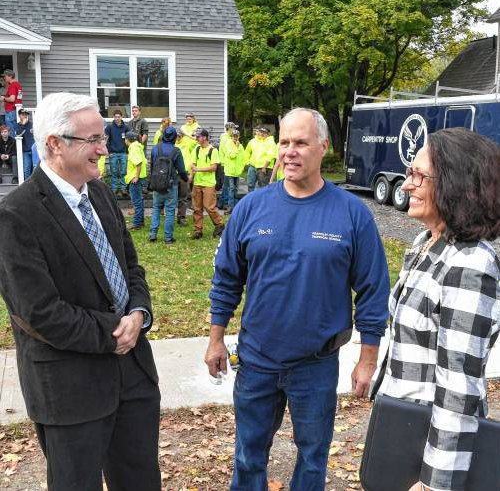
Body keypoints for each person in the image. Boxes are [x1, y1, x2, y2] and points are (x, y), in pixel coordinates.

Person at [206, 108, 390, 491]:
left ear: (323, 147)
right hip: (256, 360)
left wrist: (367, 360)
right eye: (284, 142)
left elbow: (373, 290)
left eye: (300, 143)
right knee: (248, 453)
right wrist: (215, 339)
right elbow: (226, 278)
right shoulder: (251, 208)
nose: (289, 151)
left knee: (312, 457)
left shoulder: (352, 213)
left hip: (316, 364)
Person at [0, 92, 161, 491]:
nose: (104, 149)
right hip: (71, 387)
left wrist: (139, 314)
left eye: (103, 137)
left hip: (134, 375)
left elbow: (132, 268)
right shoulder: (17, 214)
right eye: (92, 139)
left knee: (140, 480)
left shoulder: (101, 193)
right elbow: (38, 312)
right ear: (55, 143)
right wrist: (115, 332)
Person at [375, 127, 500, 491]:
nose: (405, 185)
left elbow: (459, 385)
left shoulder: (469, 264)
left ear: (454, 185)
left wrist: (436, 482)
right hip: (407, 427)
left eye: (418, 175)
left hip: (434, 447)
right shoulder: (424, 243)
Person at [149, 126, 189, 243]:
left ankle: (153, 234)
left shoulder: (155, 149)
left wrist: (152, 181)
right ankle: (168, 237)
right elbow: (181, 170)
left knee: (156, 208)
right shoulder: (176, 151)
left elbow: (151, 167)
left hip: (157, 183)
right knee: (170, 210)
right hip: (171, 185)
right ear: (174, 138)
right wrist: (186, 179)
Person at [189, 128, 224, 239]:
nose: (196, 138)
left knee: (209, 207)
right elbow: (193, 165)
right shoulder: (196, 149)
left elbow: (213, 168)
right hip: (197, 183)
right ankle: (198, 231)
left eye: (198, 137)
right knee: (197, 208)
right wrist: (191, 176)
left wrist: (198, 170)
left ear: (204, 137)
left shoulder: (213, 150)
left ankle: (219, 225)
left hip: (209, 183)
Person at [125, 131, 147, 230]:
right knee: (140, 200)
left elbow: (138, 163)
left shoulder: (133, 148)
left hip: (135, 178)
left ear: (127, 140)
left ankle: (137, 223)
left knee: (136, 202)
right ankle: (141, 222)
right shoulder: (137, 146)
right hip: (139, 177)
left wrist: (136, 177)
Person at [105, 109, 129, 197]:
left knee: (123, 172)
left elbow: (129, 140)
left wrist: (127, 152)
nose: (117, 118)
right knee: (113, 172)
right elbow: (106, 140)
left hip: (123, 153)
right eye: (116, 117)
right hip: (113, 153)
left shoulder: (126, 127)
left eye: (119, 117)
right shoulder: (109, 127)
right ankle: (114, 189)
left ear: (121, 117)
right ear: (113, 117)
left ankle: (123, 189)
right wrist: (109, 151)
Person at [223, 129, 245, 214]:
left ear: (239, 136)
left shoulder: (240, 146)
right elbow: (231, 155)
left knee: (236, 189)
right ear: (231, 136)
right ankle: (230, 207)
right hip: (230, 171)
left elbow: (243, 157)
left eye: (237, 136)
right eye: (234, 136)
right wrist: (236, 147)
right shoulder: (228, 144)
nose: (235, 138)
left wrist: (242, 166)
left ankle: (235, 207)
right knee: (231, 189)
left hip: (237, 172)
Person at [218, 122, 238, 210]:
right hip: (226, 163)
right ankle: (224, 203)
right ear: (229, 129)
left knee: (226, 185)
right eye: (233, 128)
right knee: (227, 186)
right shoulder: (226, 139)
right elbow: (229, 152)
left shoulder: (227, 137)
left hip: (227, 163)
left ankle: (221, 203)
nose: (234, 130)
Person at [175, 129, 191, 226]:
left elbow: (196, 140)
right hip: (174, 174)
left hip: (184, 174)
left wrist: (187, 134)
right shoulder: (172, 145)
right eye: (176, 136)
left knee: (183, 197)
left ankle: (181, 217)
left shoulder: (187, 144)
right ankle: (170, 217)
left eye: (180, 136)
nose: (178, 137)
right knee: (172, 198)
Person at [244, 127, 268, 192]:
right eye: (257, 131)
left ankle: (260, 201)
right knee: (250, 184)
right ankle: (251, 199)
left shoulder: (265, 141)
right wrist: (247, 162)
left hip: (261, 167)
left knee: (262, 185)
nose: (258, 133)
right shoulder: (252, 142)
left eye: (260, 131)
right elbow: (247, 152)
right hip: (252, 167)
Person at [0, 69, 22, 136]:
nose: (4, 78)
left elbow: (12, 99)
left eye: (5, 76)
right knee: (16, 130)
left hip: (11, 111)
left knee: (11, 132)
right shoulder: (18, 85)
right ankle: (16, 146)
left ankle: (12, 146)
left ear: (10, 76)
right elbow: (18, 98)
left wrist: (3, 98)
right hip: (16, 111)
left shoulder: (12, 85)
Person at [14, 108, 35, 180]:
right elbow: (18, 135)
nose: (25, 116)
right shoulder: (17, 125)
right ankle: (28, 187)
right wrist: (23, 125)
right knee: (27, 170)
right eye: (23, 114)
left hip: (34, 151)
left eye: (26, 114)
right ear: (19, 116)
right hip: (25, 151)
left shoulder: (32, 124)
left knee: (36, 169)